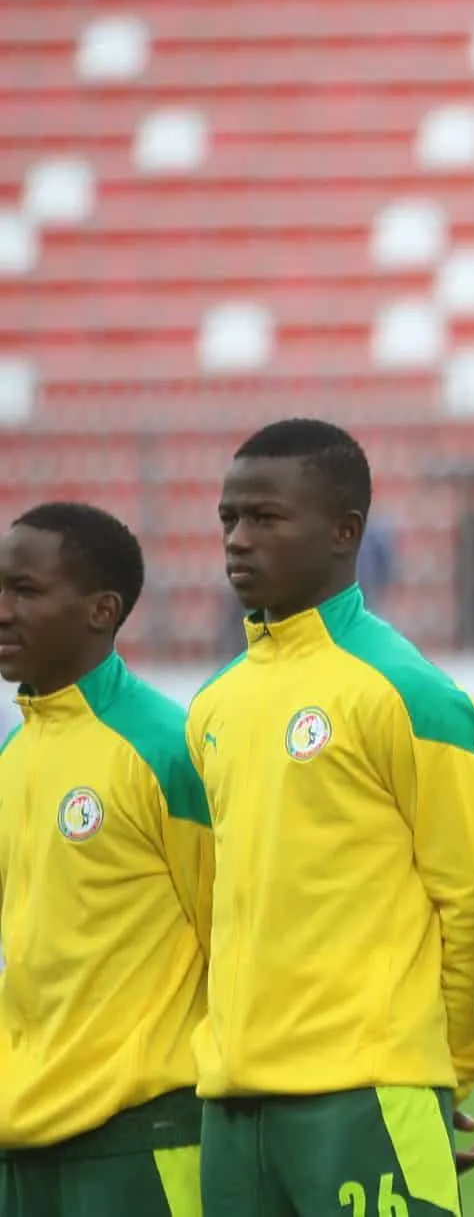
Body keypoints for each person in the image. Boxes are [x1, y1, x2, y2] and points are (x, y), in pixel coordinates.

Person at [188, 418, 474, 1217]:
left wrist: (442, 1070)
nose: (238, 540)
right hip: (231, 1108)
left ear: (344, 531)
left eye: (265, 518)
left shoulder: (409, 692)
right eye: (229, 519)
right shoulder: (214, 703)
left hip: (364, 1092)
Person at [0, 503, 209, 1217]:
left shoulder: (166, 749)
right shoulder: (11, 755)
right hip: (23, 1136)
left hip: (141, 1139)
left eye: (24, 591)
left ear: (101, 609)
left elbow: (241, 935)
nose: (2, 610)